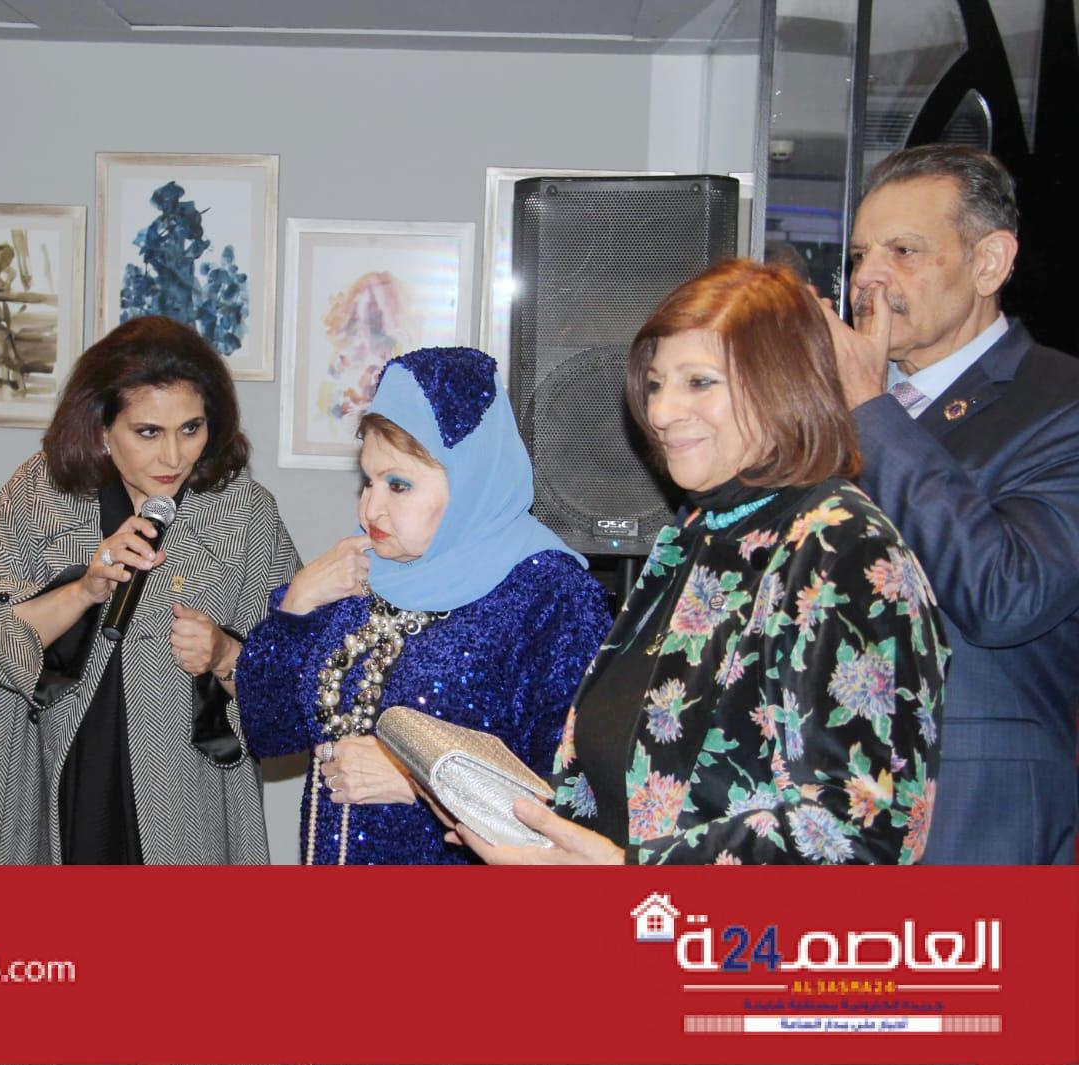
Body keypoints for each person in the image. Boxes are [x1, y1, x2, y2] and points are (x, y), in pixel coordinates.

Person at [452, 259, 948, 865]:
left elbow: (862, 832)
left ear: (782, 384)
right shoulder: (695, 533)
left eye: (699, 382)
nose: (661, 412)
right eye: (656, 384)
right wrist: (529, 820)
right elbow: (637, 779)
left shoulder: (843, 547)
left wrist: (623, 875)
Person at [0, 315, 299, 864]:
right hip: (52, 766)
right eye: (148, 432)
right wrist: (84, 590)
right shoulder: (43, 491)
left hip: (187, 787)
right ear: (102, 428)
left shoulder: (245, 512)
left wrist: (225, 654)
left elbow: (295, 680)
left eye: (191, 429)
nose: (174, 457)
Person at [235, 347, 610, 864]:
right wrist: (297, 606)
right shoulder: (364, 573)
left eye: (398, 485)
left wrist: (424, 784)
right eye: (368, 482)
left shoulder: (552, 595)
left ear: (472, 478)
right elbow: (269, 731)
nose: (370, 509)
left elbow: (579, 793)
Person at [820, 144, 1079, 864]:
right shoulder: (828, 408)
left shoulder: (1059, 402)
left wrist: (871, 410)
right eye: (861, 255)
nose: (867, 277)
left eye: (903, 252)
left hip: (970, 816)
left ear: (989, 263)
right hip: (815, 806)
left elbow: (1008, 596)